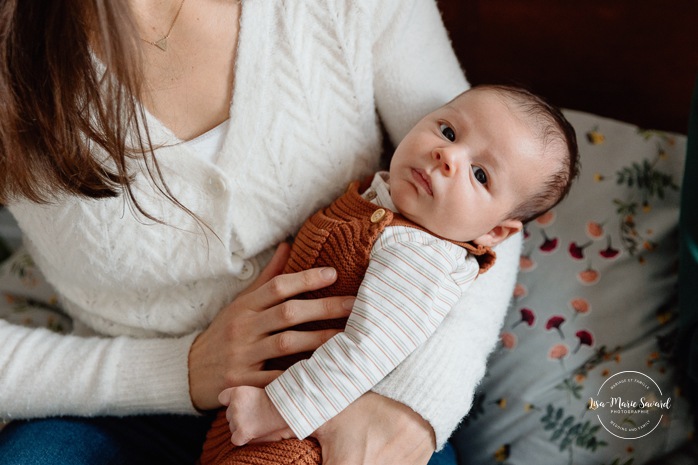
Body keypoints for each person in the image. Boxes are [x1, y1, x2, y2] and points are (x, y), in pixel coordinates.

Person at [0, 1, 522, 464]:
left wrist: (415, 405)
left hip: (349, 396)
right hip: (125, 410)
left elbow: (487, 199)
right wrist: (178, 371)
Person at [200, 84, 580, 465]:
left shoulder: (422, 257)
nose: (447, 155)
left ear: (494, 233)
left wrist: (277, 409)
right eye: (448, 132)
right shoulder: (381, 201)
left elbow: (366, 350)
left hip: (308, 431)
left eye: (480, 175)